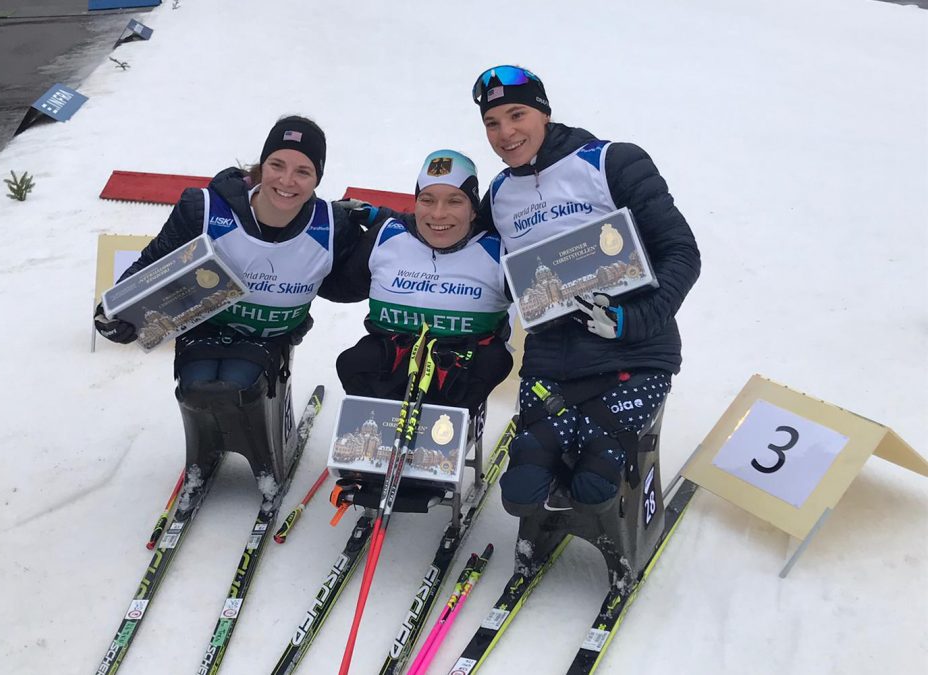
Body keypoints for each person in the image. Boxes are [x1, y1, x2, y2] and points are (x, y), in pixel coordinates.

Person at [470, 65, 701, 514]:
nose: (506, 133)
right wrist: (388, 222)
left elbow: (682, 252)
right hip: (553, 363)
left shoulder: (610, 162)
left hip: (633, 356)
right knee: (520, 494)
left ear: (545, 113)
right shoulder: (499, 195)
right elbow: (459, 241)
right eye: (492, 123)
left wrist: (629, 322)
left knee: (594, 487)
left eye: (517, 115)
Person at [94, 115, 365, 477]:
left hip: (271, 337)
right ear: (261, 165)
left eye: (303, 171)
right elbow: (151, 264)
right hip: (205, 329)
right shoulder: (204, 209)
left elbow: (350, 284)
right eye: (277, 165)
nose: (286, 181)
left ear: (317, 178)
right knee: (196, 387)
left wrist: (379, 231)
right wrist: (115, 313)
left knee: (240, 384)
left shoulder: (331, 224)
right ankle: (203, 451)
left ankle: (265, 456)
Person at [335, 149, 513, 421]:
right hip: (389, 362)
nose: (438, 214)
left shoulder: (497, 250)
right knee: (355, 360)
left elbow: (545, 301)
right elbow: (338, 286)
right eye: (427, 200)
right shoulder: (387, 236)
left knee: (493, 361)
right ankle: (369, 439)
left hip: (461, 370)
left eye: (454, 201)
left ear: (473, 208)